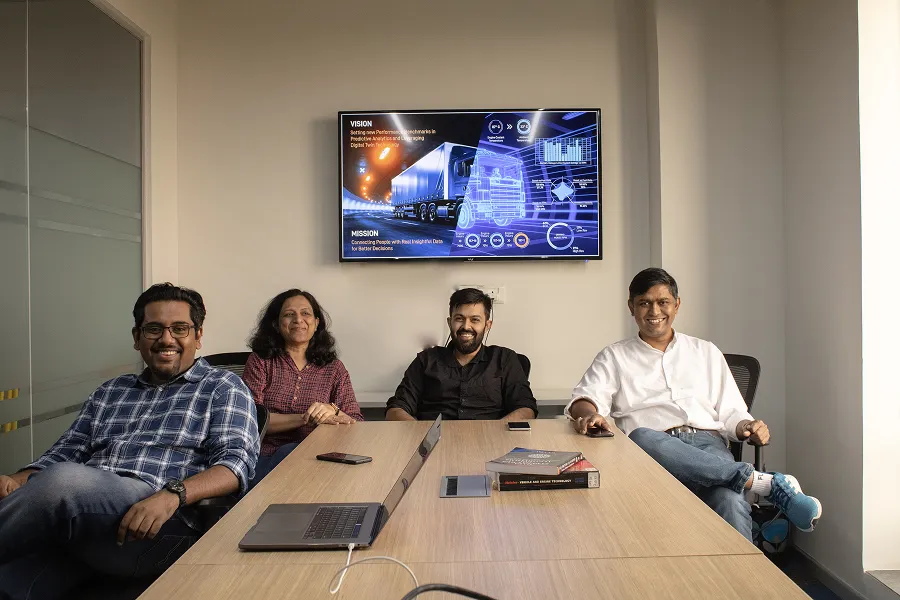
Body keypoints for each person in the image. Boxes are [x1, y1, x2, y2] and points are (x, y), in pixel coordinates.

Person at [0, 283, 259, 600]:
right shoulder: (111, 391)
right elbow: (66, 452)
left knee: (63, 481)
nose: (166, 339)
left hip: (159, 524)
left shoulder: (223, 386)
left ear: (198, 336)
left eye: (179, 329)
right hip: (84, 520)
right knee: (8, 584)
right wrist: (18, 480)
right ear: (137, 337)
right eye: (154, 329)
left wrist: (173, 495)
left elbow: (235, 465)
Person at [566, 268, 822, 541]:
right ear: (632, 307)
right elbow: (583, 399)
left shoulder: (705, 351)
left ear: (677, 305)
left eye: (663, 302)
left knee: (730, 500)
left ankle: (745, 566)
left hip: (708, 446)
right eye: (644, 303)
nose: (654, 311)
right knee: (640, 436)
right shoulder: (614, 356)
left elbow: (731, 411)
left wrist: (747, 425)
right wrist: (590, 414)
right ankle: (765, 483)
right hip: (651, 454)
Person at [243, 290, 362, 486]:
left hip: (320, 457)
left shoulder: (334, 369)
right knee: (290, 453)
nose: (298, 320)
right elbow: (250, 420)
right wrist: (306, 418)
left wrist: (333, 411)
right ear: (276, 324)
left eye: (305, 313)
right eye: (289, 314)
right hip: (266, 457)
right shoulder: (261, 362)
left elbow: (357, 422)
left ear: (316, 323)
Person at [386, 288, 537, 421]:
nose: (466, 326)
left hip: (490, 439)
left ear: (487, 325)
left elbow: (526, 408)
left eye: (475, 320)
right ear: (449, 322)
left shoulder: (504, 359)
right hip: (435, 441)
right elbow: (396, 408)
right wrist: (418, 433)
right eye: (459, 319)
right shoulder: (426, 360)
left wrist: (496, 431)